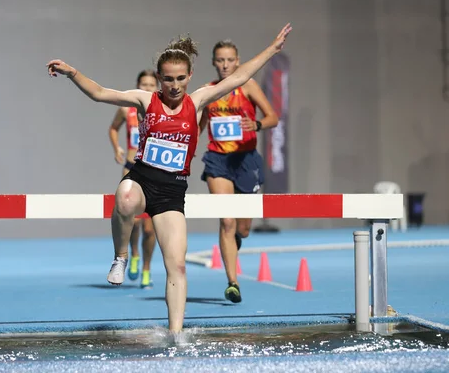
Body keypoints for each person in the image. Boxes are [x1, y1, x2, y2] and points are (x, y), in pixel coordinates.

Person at [46, 23, 292, 334]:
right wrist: (72, 73)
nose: (174, 86)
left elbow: (241, 76)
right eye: (167, 79)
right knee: (125, 198)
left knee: (176, 265)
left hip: (172, 192)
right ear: (158, 78)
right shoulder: (146, 100)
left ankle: (176, 334)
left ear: (189, 77)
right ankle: (120, 256)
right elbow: (99, 93)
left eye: (180, 79)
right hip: (142, 178)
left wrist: (273, 48)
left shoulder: (198, 100)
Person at [199, 40, 279, 304]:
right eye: (220, 60)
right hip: (217, 160)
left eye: (230, 60)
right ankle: (232, 282)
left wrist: (255, 124)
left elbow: (272, 117)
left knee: (242, 229)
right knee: (226, 220)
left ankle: (236, 239)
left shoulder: (248, 86)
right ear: (213, 62)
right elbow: (198, 126)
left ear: (237, 61)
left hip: (245, 160)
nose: (225, 65)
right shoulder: (208, 91)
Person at [108, 70, 158, 288]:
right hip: (131, 167)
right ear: (137, 86)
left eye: (150, 84)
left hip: (155, 171)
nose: (147, 88)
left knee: (150, 228)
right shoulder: (126, 109)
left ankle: (147, 268)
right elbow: (112, 128)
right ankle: (134, 254)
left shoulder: (161, 111)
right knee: (133, 220)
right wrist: (117, 147)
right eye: (143, 84)